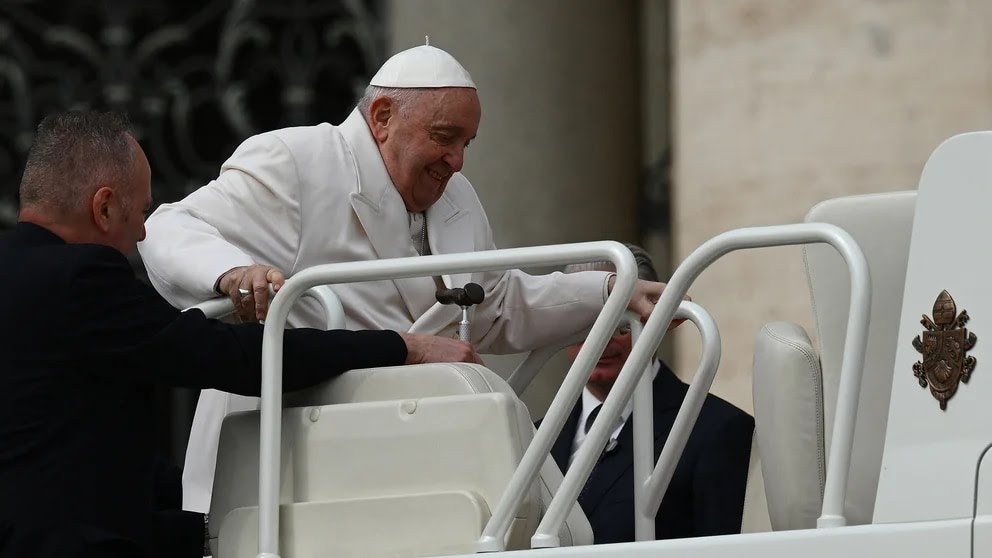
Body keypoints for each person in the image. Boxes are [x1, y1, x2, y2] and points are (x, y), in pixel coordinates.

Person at [137, 43, 669, 513]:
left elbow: (496, 305)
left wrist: (611, 290)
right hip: (288, 459)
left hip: (402, 455)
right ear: (383, 116)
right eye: (445, 137)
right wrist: (232, 273)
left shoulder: (456, 198)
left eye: (468, 143)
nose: (457, 161)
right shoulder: (296, 161)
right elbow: (168, 228)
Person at [0, 111, 480, 558]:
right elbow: (229, 356)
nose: (143, 235)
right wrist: (400, 346)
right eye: (140, 213)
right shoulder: (81, 278)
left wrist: (210, 524)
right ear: (104, 208)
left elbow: (74, 439)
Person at [546, 245, 754, 543]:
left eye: (620, 326)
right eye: (585, 325)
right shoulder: (534, 438)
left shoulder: (716, 430)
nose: (601, 343)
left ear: (656, 321)